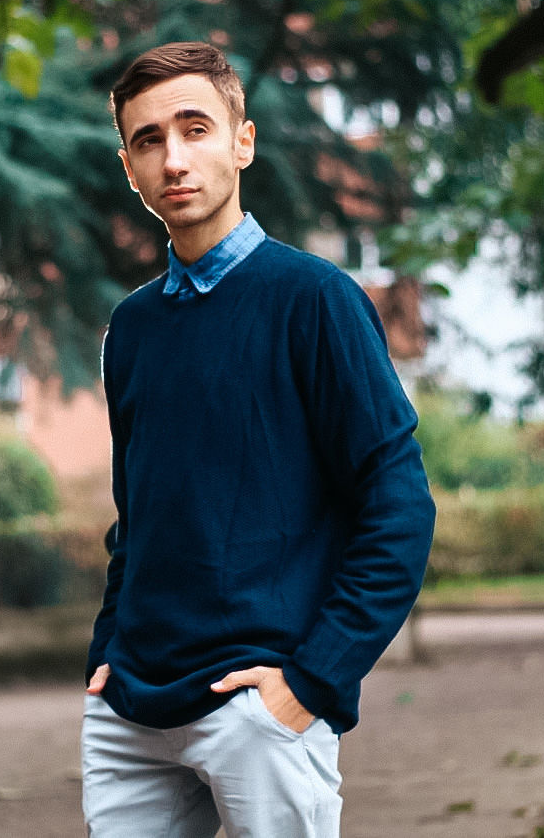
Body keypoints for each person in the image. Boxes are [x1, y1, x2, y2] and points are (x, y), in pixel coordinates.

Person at [82, 41, 436, 838]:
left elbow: (400, 508)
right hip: (131, 710)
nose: (174, 157)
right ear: (129, 168)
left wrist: (309, 682)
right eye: (148, 140)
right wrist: (106, 654)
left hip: (259, 706)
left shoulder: (316, 301)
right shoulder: (132, 329)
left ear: (242, 142)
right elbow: (137, 517)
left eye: (195, 128)